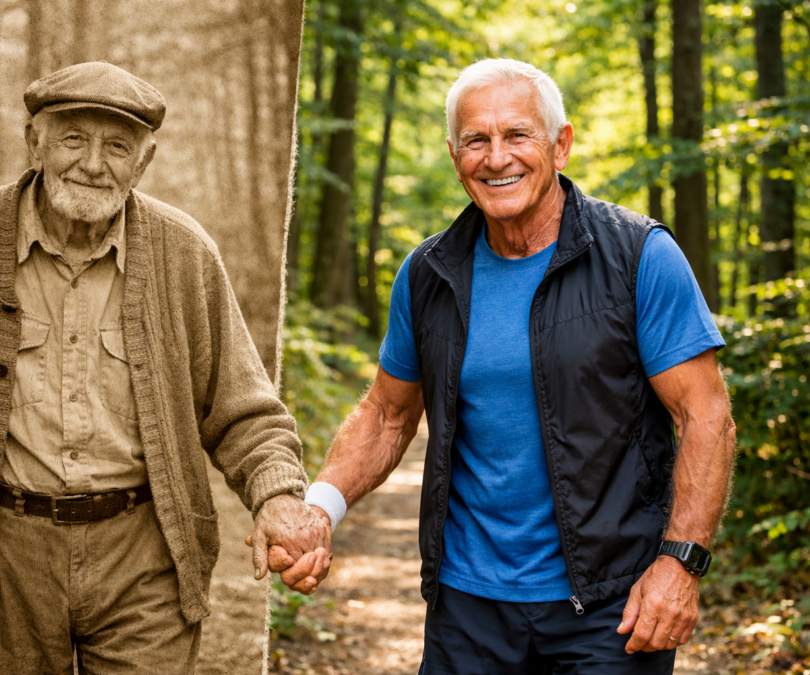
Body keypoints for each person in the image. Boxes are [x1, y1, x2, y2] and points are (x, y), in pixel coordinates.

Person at [0, 61, 329, 675]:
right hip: (1, 555)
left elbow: (244, 412)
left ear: (145, 160)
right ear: (35, 142)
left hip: (144, 553)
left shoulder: (186, 254)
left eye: (117, 147)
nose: (93, 164)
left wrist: (277, 496)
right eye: (73, 138)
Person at [295, 58, 736, 673]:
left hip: (611, 609)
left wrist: (680, 563)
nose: (496, 157)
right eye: (477, 139)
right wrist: (320, 510)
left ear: (561, 145)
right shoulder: (428, 275)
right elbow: (387, 416)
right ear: (455, 156)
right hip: (467, 608)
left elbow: (704, 414)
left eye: (517, 135)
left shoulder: (640, 256)